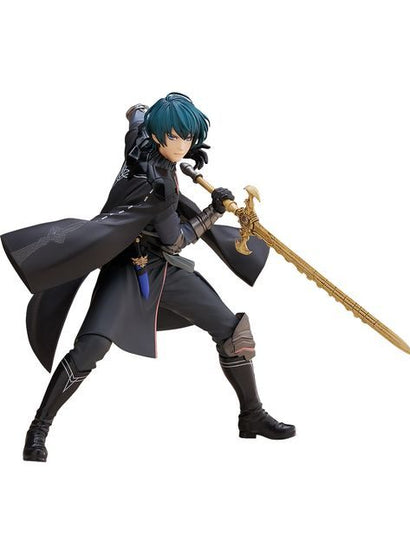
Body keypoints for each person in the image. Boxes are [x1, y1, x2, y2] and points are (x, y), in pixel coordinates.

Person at [1, 92, 295, 462]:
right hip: (129, 268)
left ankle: (251, 415)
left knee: (233, 333)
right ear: (158, 136)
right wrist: (214, 210)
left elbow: (135, 113)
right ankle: (38, 428)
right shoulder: (160, 189)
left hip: (165, 270)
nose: (182, 146)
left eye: (188, 138)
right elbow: (176, 240)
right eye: (175, 137)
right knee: (91, 347)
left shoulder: (139, 140)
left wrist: (159, 126)